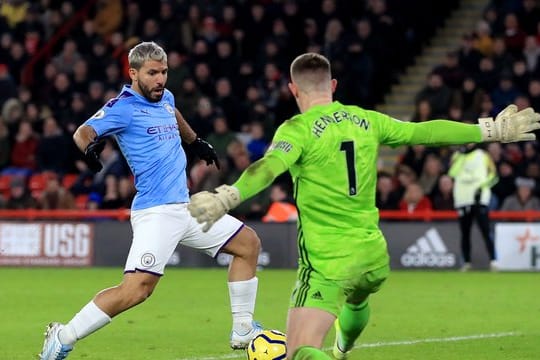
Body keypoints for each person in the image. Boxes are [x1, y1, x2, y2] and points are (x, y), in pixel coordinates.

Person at [186, 53, 540, 360]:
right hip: (372, 255)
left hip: (328, 262)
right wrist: (490, 130)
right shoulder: (368, 120)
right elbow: (425, 132)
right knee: (356, 300)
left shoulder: (297, 130)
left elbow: (268, 168)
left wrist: (228, 196)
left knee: (300, 351)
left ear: (293, 90)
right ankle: (342, 347)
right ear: (333, 85)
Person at [39, 41, 263, 360]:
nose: (161, 79)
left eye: (165, 72)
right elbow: (83, 131)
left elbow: (173, 112)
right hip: (156, 212)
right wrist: (89, 149)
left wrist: (195, 141)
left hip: (185, 208)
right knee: (137, 290)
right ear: (133, 73)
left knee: (248, 244)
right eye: (153, 73)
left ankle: (242, 329)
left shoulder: (165, 97)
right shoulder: (122, 107)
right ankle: (63, 335)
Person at [448, 143, 498, 272]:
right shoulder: (457, 156)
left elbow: (494, 176)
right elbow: (452, 173)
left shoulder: (483, 155)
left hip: (479, 198)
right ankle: (466, 262)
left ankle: (494, 261)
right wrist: (461, 156)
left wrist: (481, 187)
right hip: (462, 199)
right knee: (465, 233)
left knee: (485, 231)